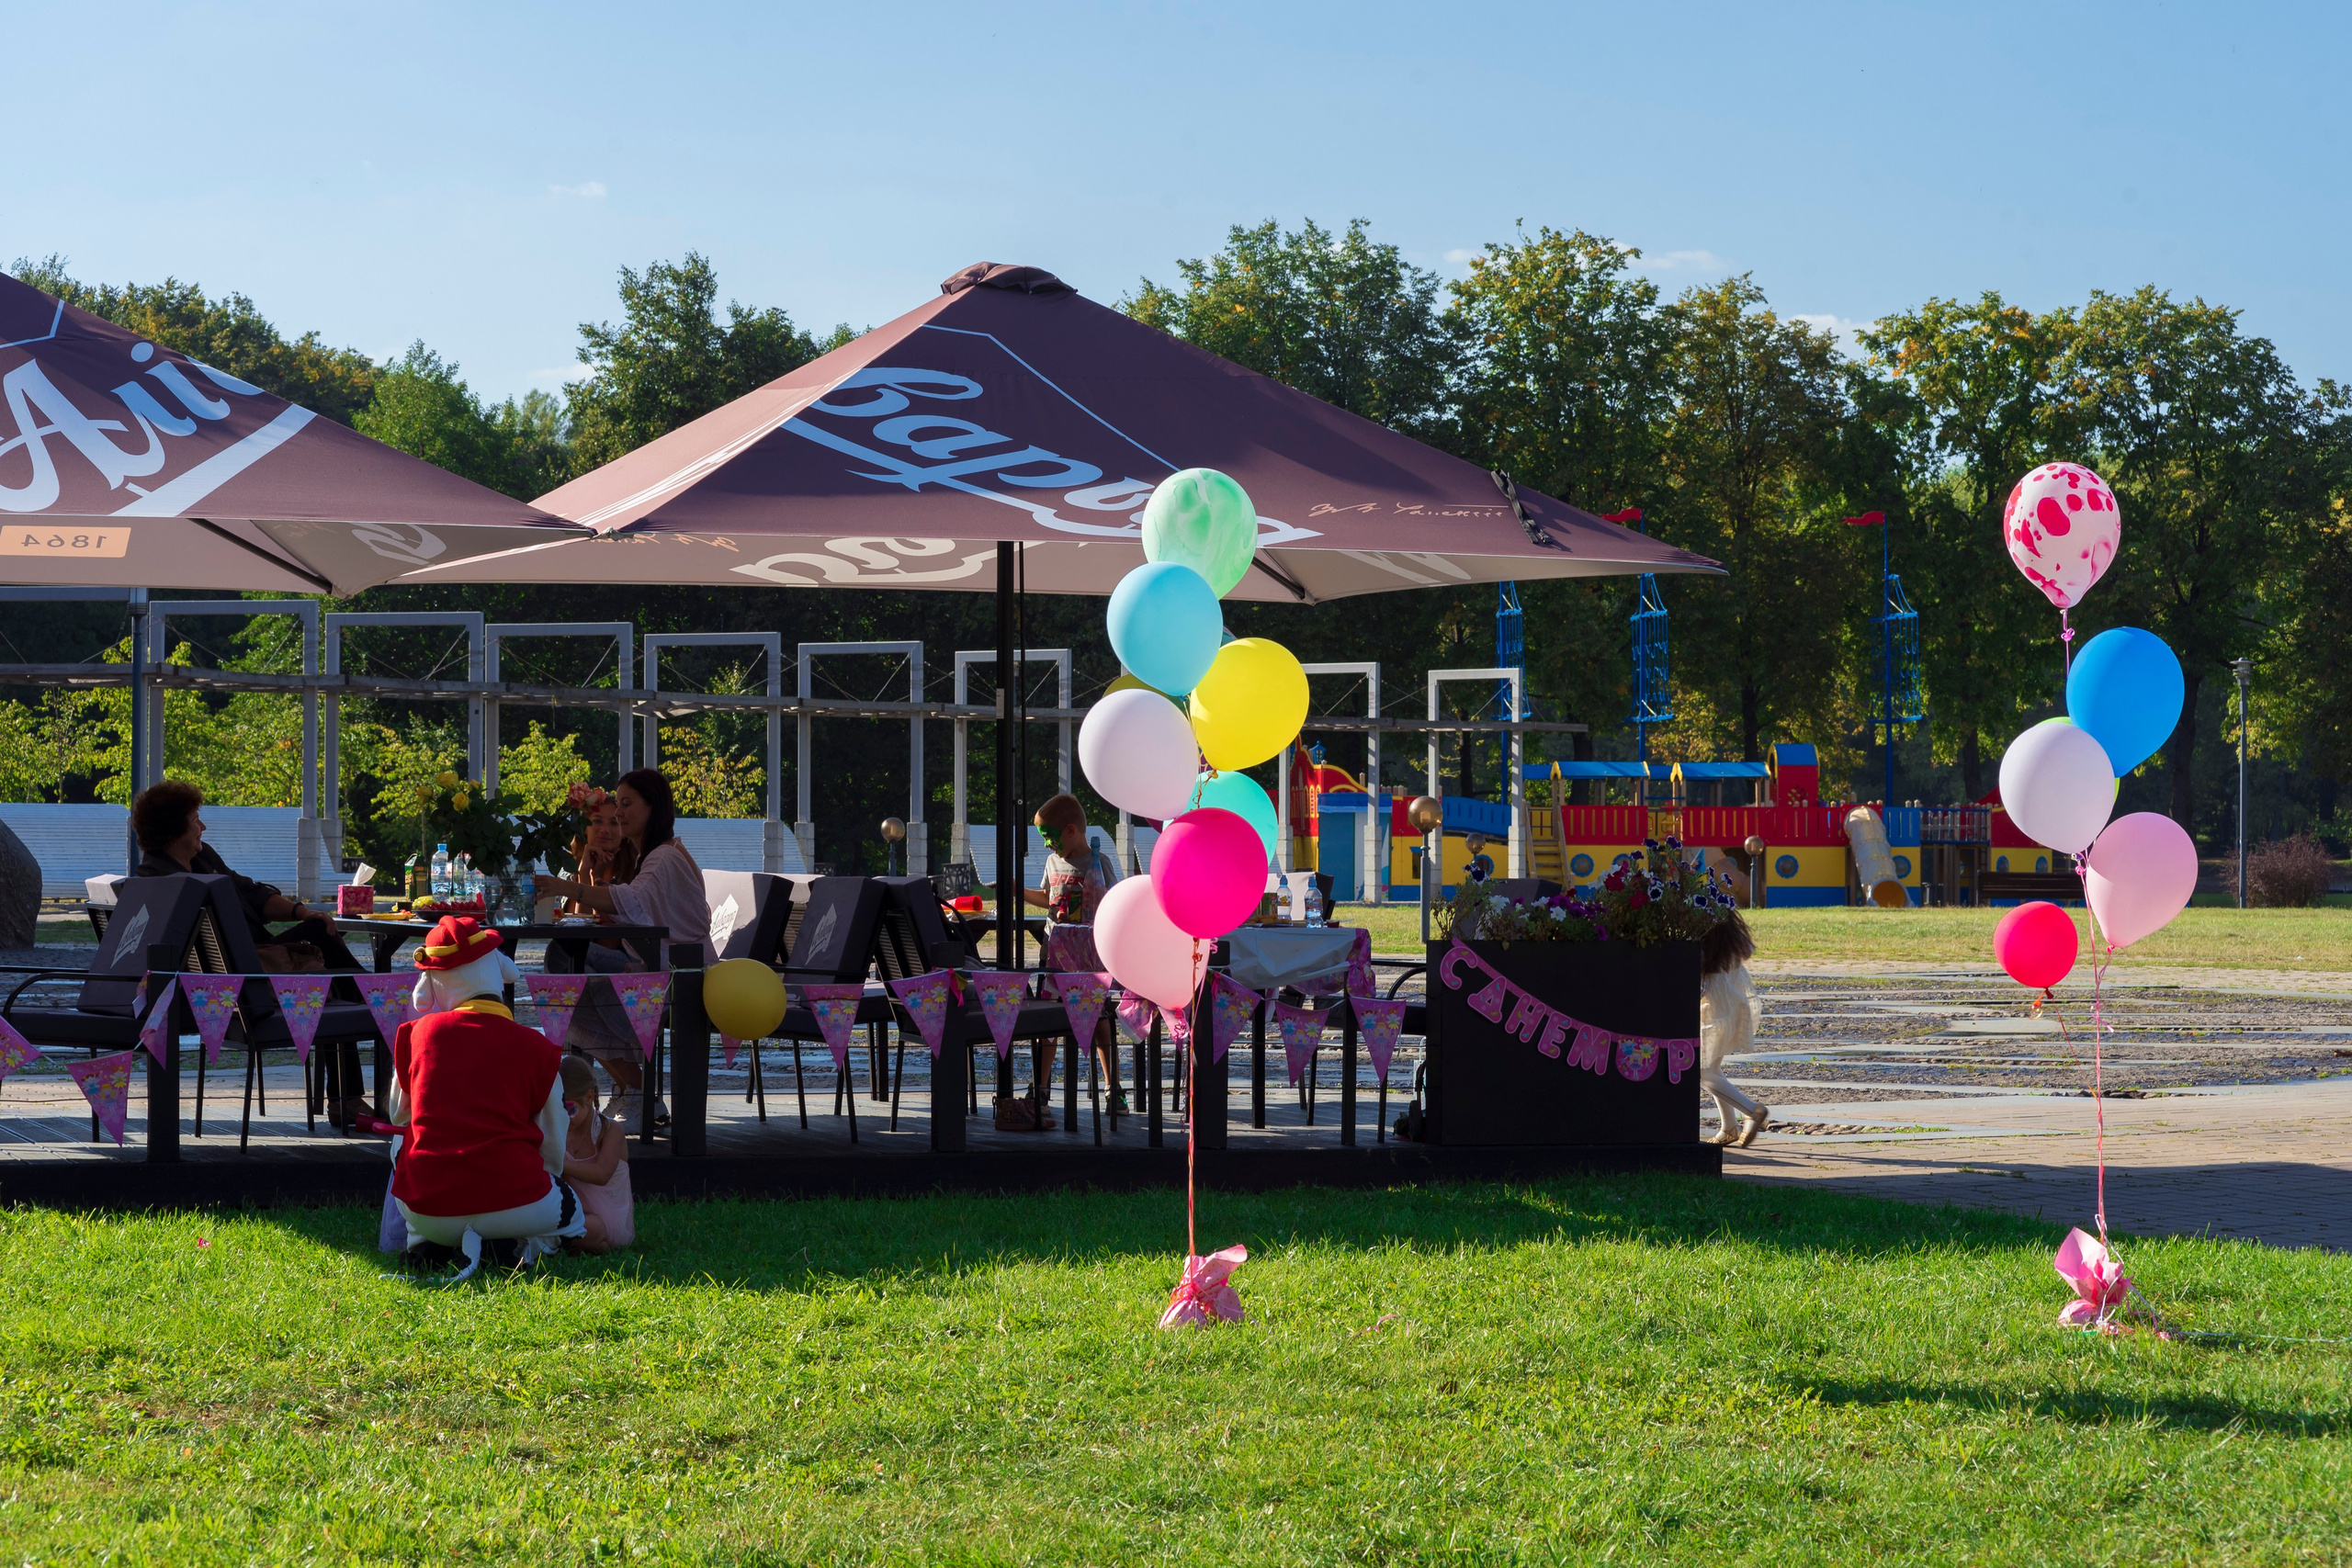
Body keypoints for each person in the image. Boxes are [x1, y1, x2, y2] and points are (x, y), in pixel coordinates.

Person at [130, 779, 375, 1124]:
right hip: (236, 990)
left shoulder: (202, 859)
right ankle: (380, 1006)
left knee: (329, 958)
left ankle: (371, 1006)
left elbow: (251, 893)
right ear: (173, 830)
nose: (202, 826)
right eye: (195, 819)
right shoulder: (158, 879)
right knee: (337, 978)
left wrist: (300, 912)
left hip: (249, 966)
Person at [388, 917, 585, 1279]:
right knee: (573, 1214)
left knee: (400, 1148)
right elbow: (554, 1138)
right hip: (518, 1200)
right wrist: (542, 1179)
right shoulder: (538, 1048)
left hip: (429, 1208)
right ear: (498, 969)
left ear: (430, 986)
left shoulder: (414, 1035)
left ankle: (423, 1242)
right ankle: (519, 1244)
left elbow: (400, 1118)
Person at [532, 769, 709, 1129]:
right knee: (564, 971)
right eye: (605, 817)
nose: (617, 819)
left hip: (679, 975)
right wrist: (586, 880)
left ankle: (637, 1091)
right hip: (655, 963)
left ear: (653, 808)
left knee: (564, 976)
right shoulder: (659, 853)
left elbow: (630, 901)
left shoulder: (662, 857)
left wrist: (565, 887)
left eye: (626, 807)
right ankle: (636, 1091)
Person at [1024, 793, 1122, 1106]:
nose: (1047, 845)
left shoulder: (1099, 862)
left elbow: (1113, 902)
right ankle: (1040, 1087)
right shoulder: (1053, 862)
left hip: (1091, 956)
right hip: (1054, 950)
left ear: (1070, 830)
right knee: (1047, 1018)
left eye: (1049, 837)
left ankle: (1112, 1088)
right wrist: (1018, 891)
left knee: (1100, 1019)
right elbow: (1047, 897)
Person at [1699, 908, 1770, 1147]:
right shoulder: (1727, 950)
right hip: (1732, 1013)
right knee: (1713, 1069)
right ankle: (1729, 1127)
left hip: (1717, 1017)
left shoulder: (1707, 960)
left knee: (1700, 1071)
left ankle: (1752, 1110)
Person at [558, 1055, 634, 1253]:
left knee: (592, 1229)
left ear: (590, 1098)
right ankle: (581, 1243)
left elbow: (602, 1174)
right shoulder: (561, 1130)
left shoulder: (610, 1130)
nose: (563, 1116)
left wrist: (560, 1163)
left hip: (607, 1216)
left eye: (569, 1109)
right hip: (576, 1212)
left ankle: (576, 1241)